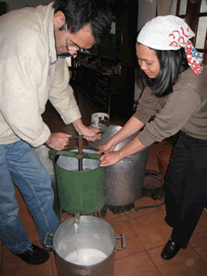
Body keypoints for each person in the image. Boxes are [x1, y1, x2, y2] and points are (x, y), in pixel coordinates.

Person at [0, 0, 112, 265]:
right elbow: (17, 107)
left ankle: (54, 240)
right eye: (74, 45)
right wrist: (47, 137)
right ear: (60, 20)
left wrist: (79, 124)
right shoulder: (26, 43)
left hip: (14, 132)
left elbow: (59, 87)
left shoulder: (56, 40)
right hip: (10, 122)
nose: (74, 53)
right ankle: (18, 245)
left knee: (40, 186)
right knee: (5, 205)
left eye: (82, 49)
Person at [97, 15, 207, 260]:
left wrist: (119, 154)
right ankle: (175, 218)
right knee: (174, 181)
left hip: (205, 138)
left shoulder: (189, 87)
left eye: (147, 61)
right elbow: (144, 112)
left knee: (193, 192)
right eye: (139, 60)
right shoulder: (163, 75)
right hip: (190, 133)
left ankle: (179, 238)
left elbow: (157, 130)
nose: (142, 67)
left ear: (168, 58)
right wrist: (111, 142)